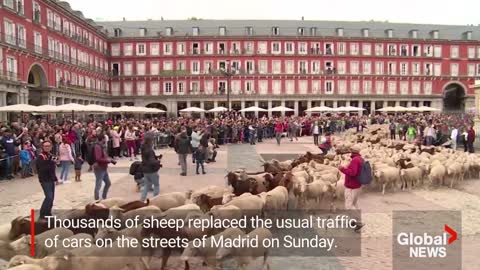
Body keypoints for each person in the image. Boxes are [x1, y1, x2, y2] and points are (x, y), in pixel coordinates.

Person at [338, 145, 364, 232]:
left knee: (349, 205)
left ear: (353, 151)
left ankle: (359, 222)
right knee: (354, 203)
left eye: (351, 150)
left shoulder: (355, 160)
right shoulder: (360, 159)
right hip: (357, 185)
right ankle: (355, 222)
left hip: (351, 186)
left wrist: (342, 169)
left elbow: (352, 173)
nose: (350, 152)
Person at [36, 141, 57, 219]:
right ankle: (43, 214)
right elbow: (42, 169)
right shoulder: (41, 157)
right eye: (45, 146)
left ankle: (48, 213)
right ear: (43, 147)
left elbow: (54, 166)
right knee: (49, 197)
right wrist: (51, 162)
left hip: (51, 179)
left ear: (51, 147)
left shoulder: (50, 155)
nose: (47, 147)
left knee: (52, 197)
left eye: (48, 146)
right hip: (45, 179)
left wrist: (55, 178)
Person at [93, 133, 116, 200]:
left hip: (103, 167)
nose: (106, 140)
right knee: (98, 184)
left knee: (108, 183)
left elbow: (104, 156)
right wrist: (108, 160)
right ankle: (96, 199)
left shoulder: (102, 146)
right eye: (105, 138)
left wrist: (110, 159)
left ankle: (104, 197)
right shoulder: (97, 146)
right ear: (102, 139)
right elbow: (98, 158)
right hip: (99, 168)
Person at [140, 135, 160, 201]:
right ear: (150, 141)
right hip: (152, 170)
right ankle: (155, 200)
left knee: (147, 185)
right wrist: (158, 161)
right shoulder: (150, 150)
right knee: (156, 185)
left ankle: (142, 199)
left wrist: (156, 157)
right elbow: (152, 161)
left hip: (145, 169)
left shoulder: (143, 148)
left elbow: (147, 158)